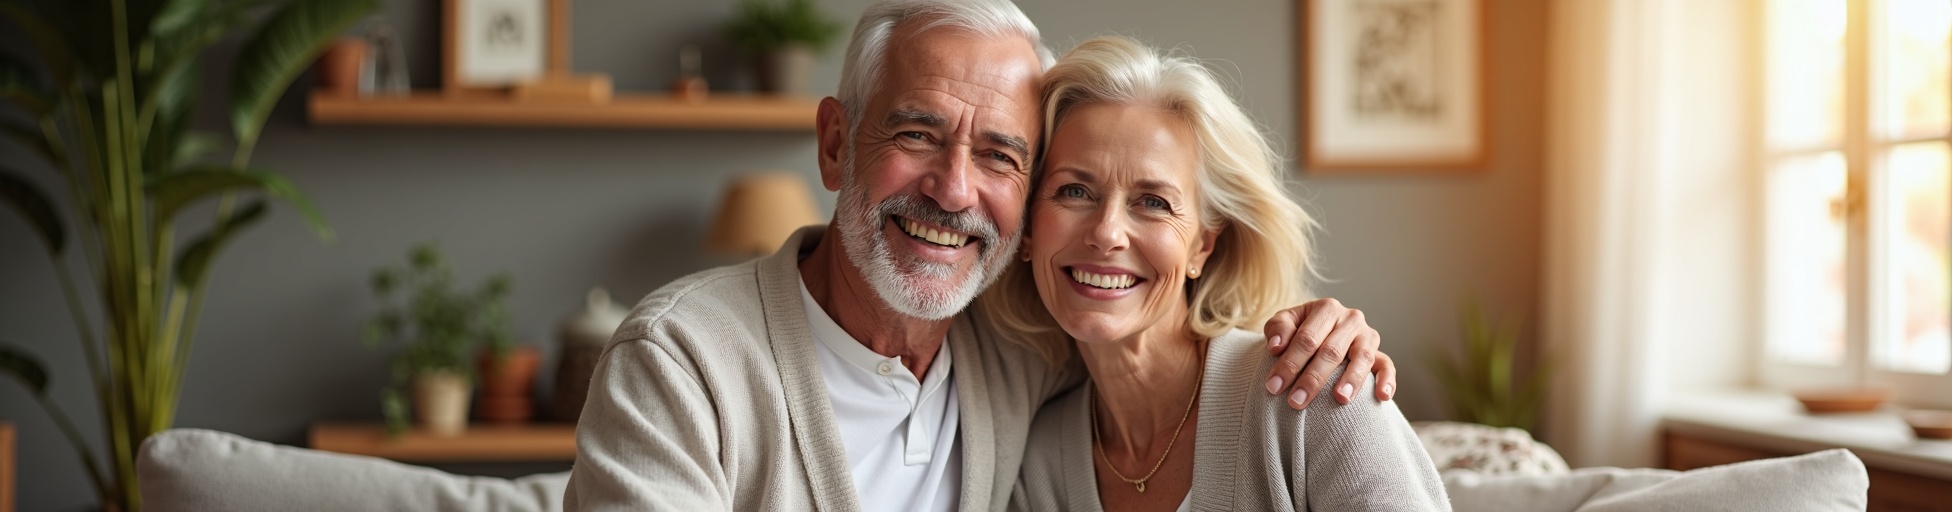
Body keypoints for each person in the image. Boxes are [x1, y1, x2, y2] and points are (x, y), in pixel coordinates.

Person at [562, 1, 1400, 510]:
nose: (954, 190)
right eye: (918, 132)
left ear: (1203, 241)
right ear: (834, 144)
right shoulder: (681, 362)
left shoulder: (1029, 355)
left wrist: (1328, 330)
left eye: (1000, 154)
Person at [997, 37, 1448, 511]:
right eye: (1073, 191)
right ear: (1027, 228)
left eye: (1153, 202)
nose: (1107, 233)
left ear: (1202, 245)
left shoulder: (1317, 395)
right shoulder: (1040, 464)